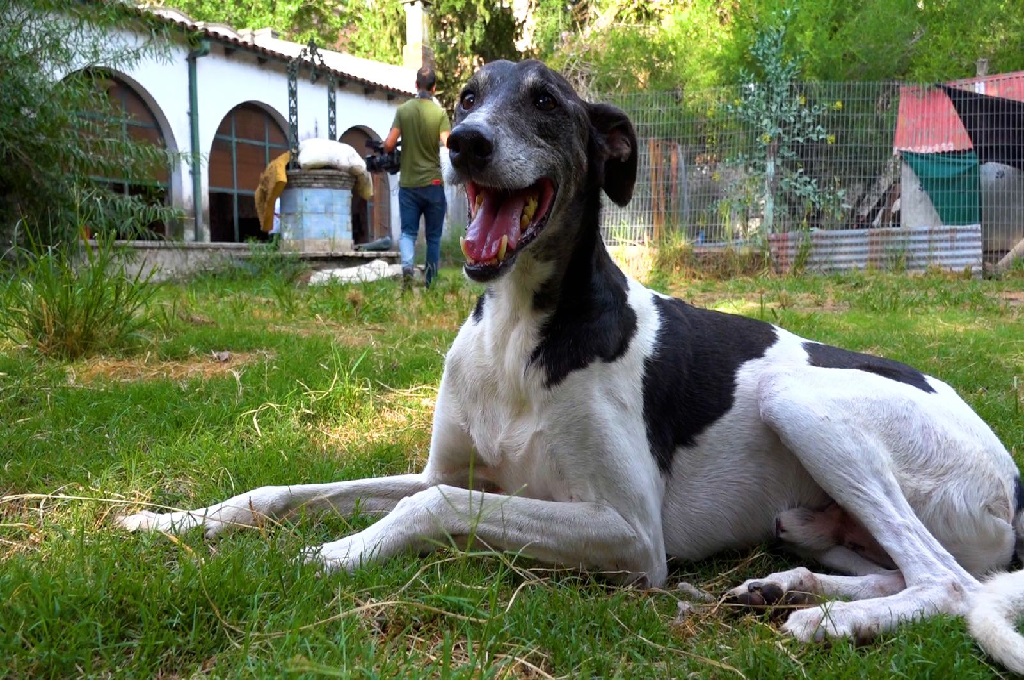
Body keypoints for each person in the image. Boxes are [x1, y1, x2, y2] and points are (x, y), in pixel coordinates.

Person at [383, 65, 450, 288]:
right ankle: (431, 281)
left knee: (408, 232)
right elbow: (449, 143)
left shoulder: (403, 111)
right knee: (433, 237)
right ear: (434, 88)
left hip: (409, 184)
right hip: (433, 184)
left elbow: (390, 145)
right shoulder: (439, 114)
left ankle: (408, 268)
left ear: (415, 85)